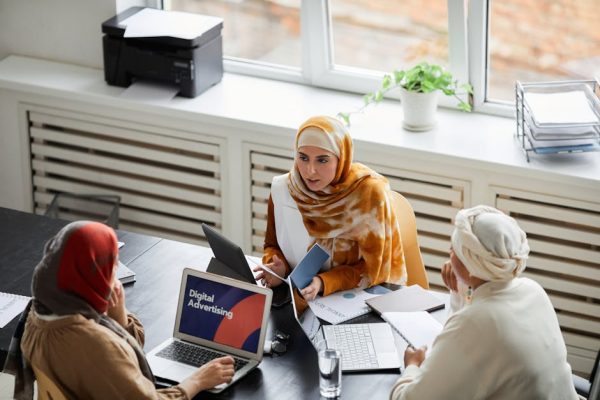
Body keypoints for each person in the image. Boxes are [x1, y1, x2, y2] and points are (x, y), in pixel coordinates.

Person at [18, 221, 234, 399]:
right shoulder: (94, 344)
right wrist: (196, 380)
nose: (114, 270)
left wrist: (118, 316)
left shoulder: (37, 313)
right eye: (112, 263)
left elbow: (122, 358)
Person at [389, 205, 579, 400]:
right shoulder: (533, 289)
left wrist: (412, 366)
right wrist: (459, 292)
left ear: (470, 265)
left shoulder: (475, 323)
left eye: (453, 249)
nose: (449, 253)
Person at [254, 115, 406, 300]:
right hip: (300, 299)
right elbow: (272, 245)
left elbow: (375, 269)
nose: (310, 170)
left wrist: (324, 282)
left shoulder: (368, 195)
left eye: (322, 160)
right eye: (303, 158)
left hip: (355, 300)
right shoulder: (283, 189)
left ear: (341, 158)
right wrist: (278, 269)